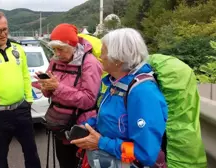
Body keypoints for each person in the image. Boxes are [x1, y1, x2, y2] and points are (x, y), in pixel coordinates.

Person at [71, 28, 168, 168]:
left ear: (118, 59)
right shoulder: (117, 83)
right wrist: (87, 126)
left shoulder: (143, 93)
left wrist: (101, 143)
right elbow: (110, 120)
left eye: (103, 52)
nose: (100, 57)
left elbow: (145, 154)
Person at [0, 10, 41, 168]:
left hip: (21, 109)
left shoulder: (17, 49)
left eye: (5, 29)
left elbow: (25, 75)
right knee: (0, 157)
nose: (3, 34)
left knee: (31, 152)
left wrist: (29, 100)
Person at [36, 23, 103, 168]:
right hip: (59, 124)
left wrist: (58, 88)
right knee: (64, 162)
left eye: (61, 49)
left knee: (81, 164)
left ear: (72, 45)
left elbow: (88, 100)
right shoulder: (55, 62)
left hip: (81, 127)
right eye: (54, 49)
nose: (57, 54)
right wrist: (46, 87)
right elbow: (50, 92)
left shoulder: (90, 63)